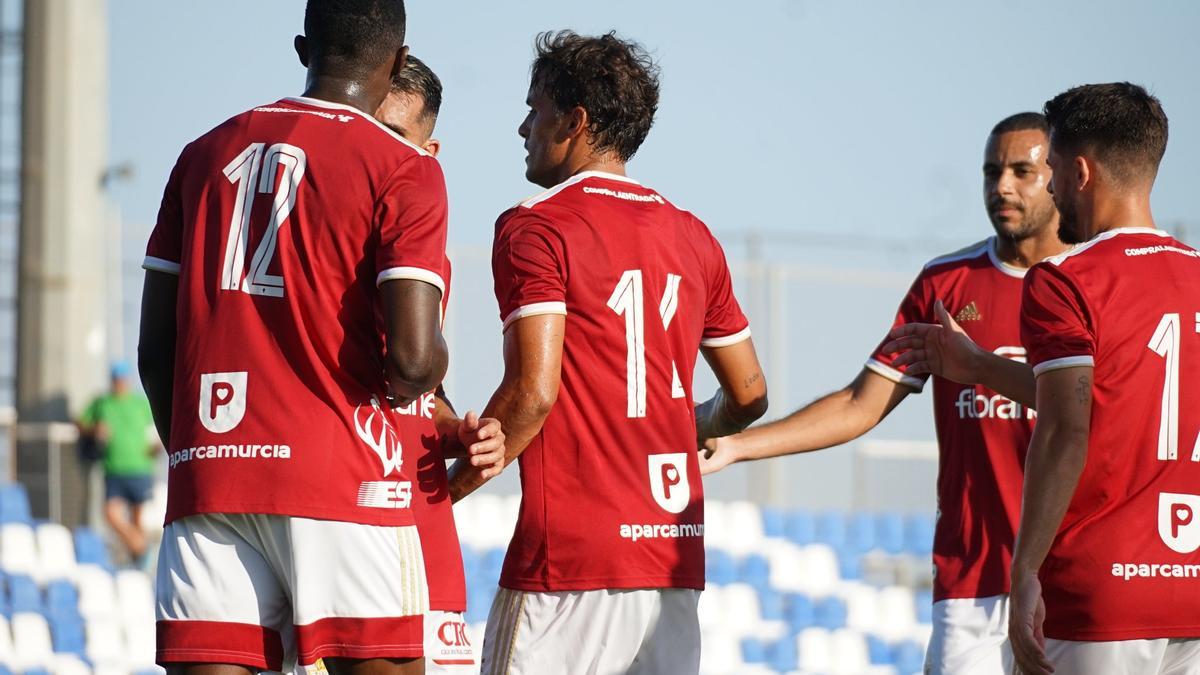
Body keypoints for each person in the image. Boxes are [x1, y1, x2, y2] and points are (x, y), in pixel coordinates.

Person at [137, 1, 449, 673]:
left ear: (303, 48)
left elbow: (154, 351)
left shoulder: (201, 154)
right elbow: (415, 362)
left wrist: (201, 457)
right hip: (341, 480)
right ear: (396, 61)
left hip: (212, 476)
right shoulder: (403, 167)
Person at [446, 31, 768, 674]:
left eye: (534, 108)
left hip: (568, 561)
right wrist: (694, 424)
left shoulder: (535, 225)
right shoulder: (694, 236)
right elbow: (749, 395)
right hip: (671, 561)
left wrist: (443, 494)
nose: (522, 127)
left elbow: (532, 394)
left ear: (576, 121)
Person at [701, 112, 1070, 674]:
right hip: (971, 590)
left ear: (1060, 176)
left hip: (1071, 582)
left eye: (1022, 171)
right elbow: (859, 403)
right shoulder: (945, 285)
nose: (1002, 186)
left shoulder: (1093, 282)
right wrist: (738, 446)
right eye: (992, 171)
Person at [888, 83, 1200, 675]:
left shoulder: (1066, 279)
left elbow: (1064, 429)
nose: (1052, 187)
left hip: (1103, 592)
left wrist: (1026, 568)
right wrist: (979, 364)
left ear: (1079, 172)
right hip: (1192, 588)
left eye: (1052, 168)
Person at [376, 54, 505, 675]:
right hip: (342, 514)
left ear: (430, 150)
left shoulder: (426, 252)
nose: (377, 151)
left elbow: (426, 396)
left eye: (395, 137)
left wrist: (462, 435)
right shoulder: (312, 233)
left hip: (417, 517)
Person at [77, 360, 159, 563]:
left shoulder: (140, 403)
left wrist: (156, 447)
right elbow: (80, 422)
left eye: (122, 379)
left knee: (138, 518)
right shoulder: (102, 403)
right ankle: (140, 546)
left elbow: (155, 430)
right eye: (116, 380)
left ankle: (138, 562)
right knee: (111, 514)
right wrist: (95, 429)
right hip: (114, 468)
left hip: (140, 467)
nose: (119, 383)